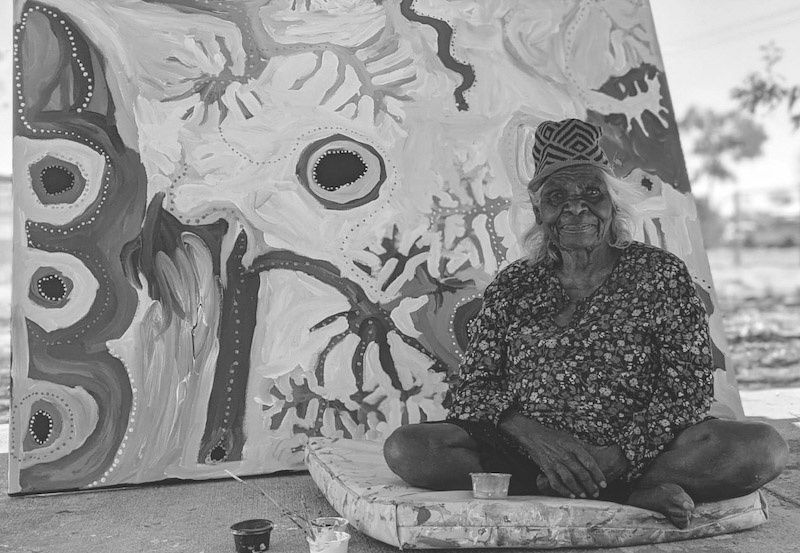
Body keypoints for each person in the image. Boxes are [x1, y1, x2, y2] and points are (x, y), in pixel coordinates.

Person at [383, 118, 788, 528]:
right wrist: (539, 440)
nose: (576, 206)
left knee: (760, 449)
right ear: (540, 211)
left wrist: (620, 454)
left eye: (592, 193)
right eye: (557, 196)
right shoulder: (516, 283)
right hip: (530, 450)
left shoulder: (658, 273)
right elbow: (473, 388)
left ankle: (565, 484)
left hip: (642, 447)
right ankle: (625, 493)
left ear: (612, 205)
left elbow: (689, 385)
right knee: (410, 449)